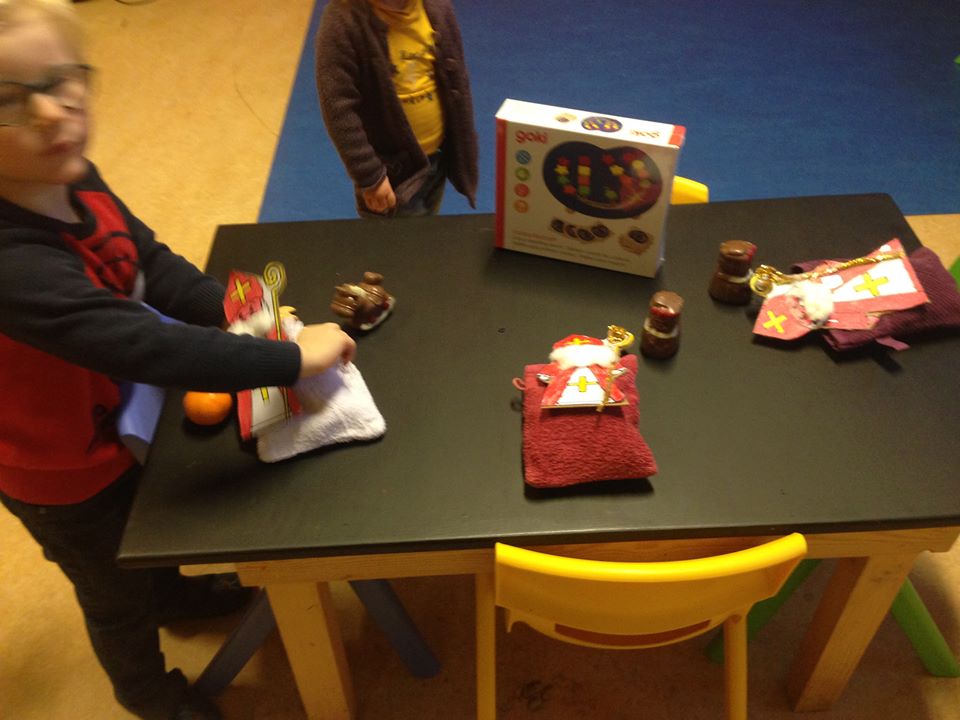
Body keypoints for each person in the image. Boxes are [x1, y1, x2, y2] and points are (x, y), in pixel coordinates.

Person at [0, 2, 356, 719]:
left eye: (60, 80)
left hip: (114, 414)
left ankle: (173, 593)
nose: (49, 112)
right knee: (112, 589)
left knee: (148, 528)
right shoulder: (11, 261)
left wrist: (240, 313)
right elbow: (146, 345)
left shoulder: (72, 174)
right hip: (59, 467)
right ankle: (147, 694)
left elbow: (150, 264)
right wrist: (287, 360)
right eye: (7, 100)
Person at [315, 0, 478, 217]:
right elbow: (338, 108)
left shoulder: (437, 7)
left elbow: (458, 80)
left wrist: (464, 147)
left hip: (436, 159)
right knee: (396, 237)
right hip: (390, 174)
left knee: (427, 226)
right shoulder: (343, 20)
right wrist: (370, 175)